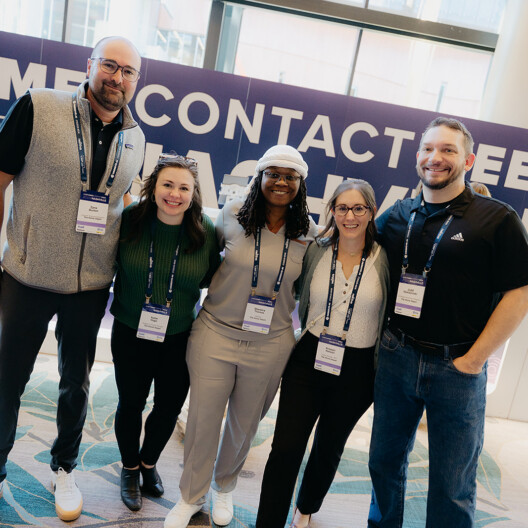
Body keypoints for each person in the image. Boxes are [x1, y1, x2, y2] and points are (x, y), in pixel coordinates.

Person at [0, 36, 145, 521]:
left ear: (135, 81)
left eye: (127, 71)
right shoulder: (39, 107)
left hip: (90, 285)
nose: (116, 77)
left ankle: (64, 466)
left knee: (76, 384)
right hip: (28, 274)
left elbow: (119, 204)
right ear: (90, 65)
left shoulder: (136, 138)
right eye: (109, 65)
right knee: (7, 379)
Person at [368, 117, 528, 528]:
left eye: (448, 150)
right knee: (384, 464)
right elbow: (354, 241)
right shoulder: (400, 213)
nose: (435, 158)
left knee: (452, 482)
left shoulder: (497, 218)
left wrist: (475, 361)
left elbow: (521, 291)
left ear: (468, 160)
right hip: (396, 355)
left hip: (457, 367)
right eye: (428, 149)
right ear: (417, 155)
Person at [164, 145, 318, 528]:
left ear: (300, 184)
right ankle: (190, 495)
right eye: (273, 174)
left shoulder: (309, 234)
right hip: (216, 332)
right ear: (260, 177)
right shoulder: (231, 215)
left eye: (290, 176)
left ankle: (225, 486)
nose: (281, 182)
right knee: (202, 419)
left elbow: (309, 291)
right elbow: (203, 261)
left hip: (270, 342)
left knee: (245, 423)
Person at [256, 179, 389, 528]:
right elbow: (295, 291)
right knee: (285, 447)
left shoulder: (385, 258)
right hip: (309, 358)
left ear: (371, 212)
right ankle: (268, 521)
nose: (350, 216)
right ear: (332, 211)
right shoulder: (317, 248)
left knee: (329, 448)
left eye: (359, 208)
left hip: (359, 368)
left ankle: (306, 506)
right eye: (342, 208)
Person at [110, 154, 220, 511]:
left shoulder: (204, 231)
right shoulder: (131, 220)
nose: (175, 194)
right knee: (131, 403)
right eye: (167, 185)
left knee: (169, 406)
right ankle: (129, 467)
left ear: (194, 192)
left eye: (184, 188)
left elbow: (208, 278)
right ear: (153, 187)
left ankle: (148, 463)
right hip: (130, 329)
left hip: (178, 335)